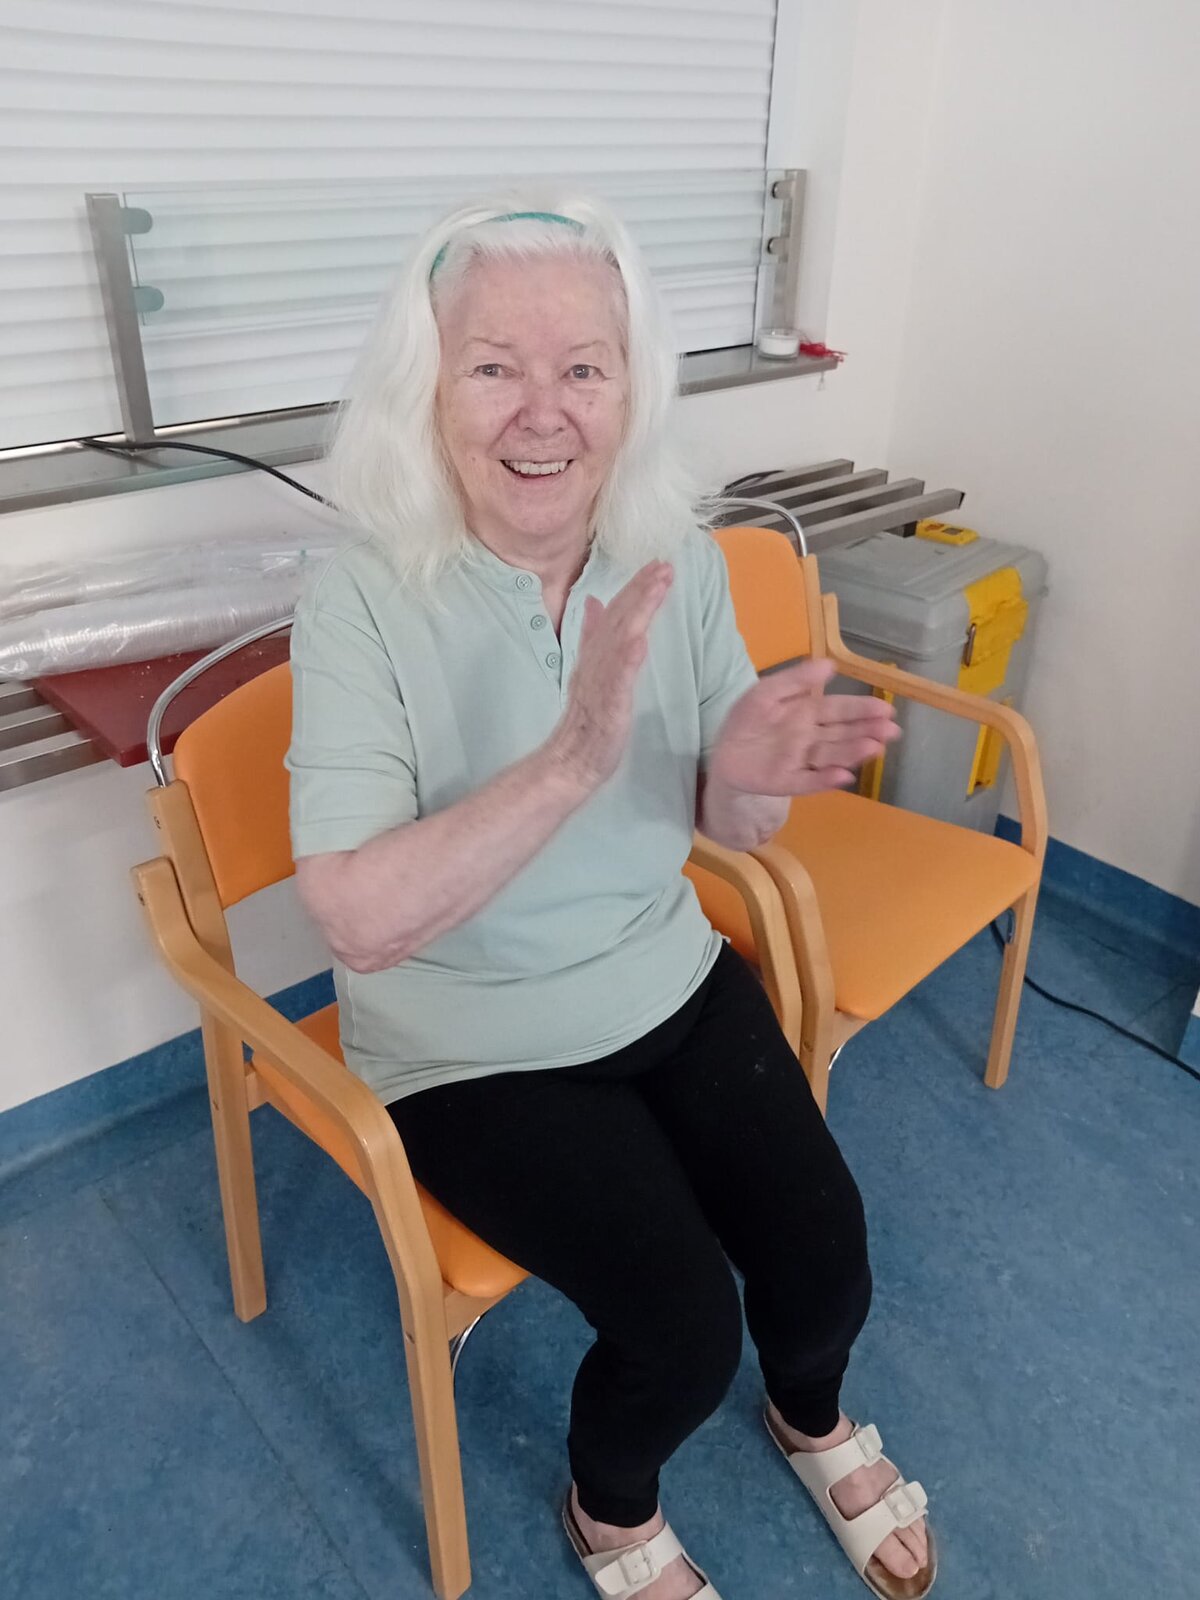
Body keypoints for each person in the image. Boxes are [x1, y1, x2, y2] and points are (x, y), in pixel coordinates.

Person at [286, 194, 935, 1600]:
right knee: (681, 1327)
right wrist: (570, 760)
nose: (544, 412)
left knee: (826, 1249)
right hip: (467, 1041)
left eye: (584, 366)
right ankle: (611, 1506)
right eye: (493, 366)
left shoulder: (668, 551)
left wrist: (746, 779)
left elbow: (726, 814)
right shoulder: (359, 600)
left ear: (632, 390)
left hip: (664, 968)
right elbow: (353, 917)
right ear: (426, 386)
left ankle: (810, 1415)